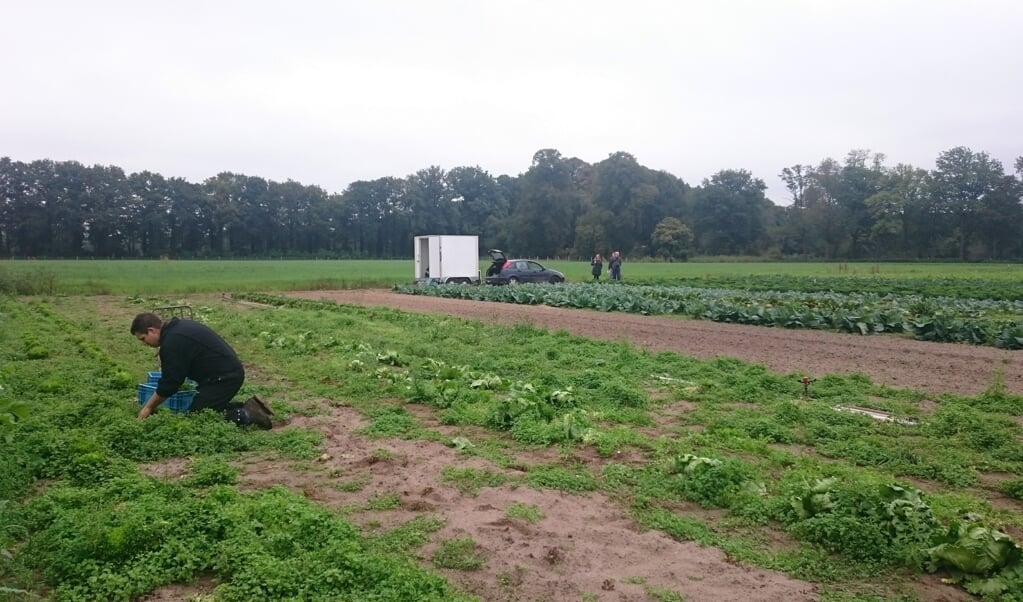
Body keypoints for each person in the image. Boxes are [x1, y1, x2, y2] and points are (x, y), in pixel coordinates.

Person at [130, 312, 272, 429]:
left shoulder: (172, 342)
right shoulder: (178, 328)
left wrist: (148, 407)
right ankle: (251, 405)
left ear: (152, 330)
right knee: (205, 407)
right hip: (223, 374)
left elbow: (171, 383)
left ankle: (247, 414)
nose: (144, 344)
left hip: (224, 378)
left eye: (143, 339)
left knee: (198, 418)